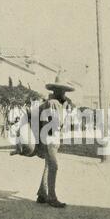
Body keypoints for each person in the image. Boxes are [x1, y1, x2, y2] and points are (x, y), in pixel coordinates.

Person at [36, 76, 75, 208]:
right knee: (54, 166)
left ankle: (42, 193)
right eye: (60, 90)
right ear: (55, 90)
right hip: (50, 137)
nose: (63, 92)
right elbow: (53, 122)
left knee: (48, 165)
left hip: (53, 137)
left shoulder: (60, 102)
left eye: (64, 90)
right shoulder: (52, 103)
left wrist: (66, 104)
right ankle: (52, 197)